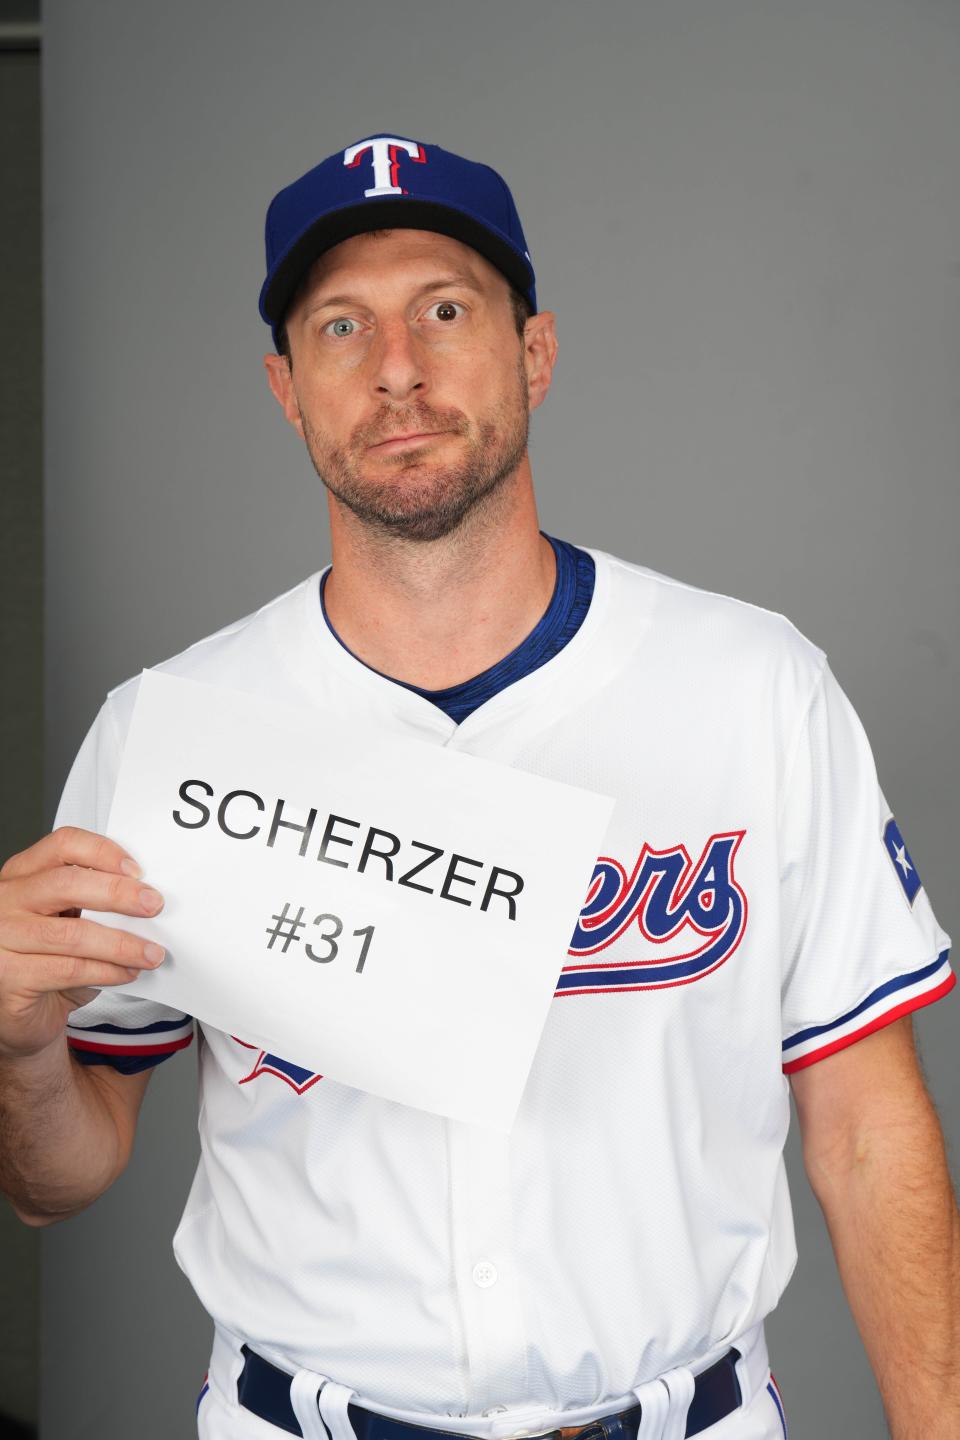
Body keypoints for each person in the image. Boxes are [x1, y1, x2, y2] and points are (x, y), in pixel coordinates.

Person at [0, 132, 957, 1440]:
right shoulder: (171, 738)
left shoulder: (754, 688)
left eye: (444, 310)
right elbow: (62, 1170)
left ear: (535, 353)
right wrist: (18, 1046)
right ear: (287, 388)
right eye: (341, 326)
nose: (397, 367)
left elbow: (864, 1126)